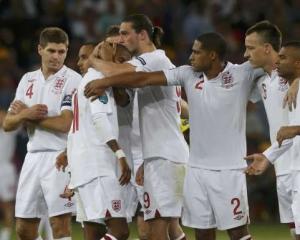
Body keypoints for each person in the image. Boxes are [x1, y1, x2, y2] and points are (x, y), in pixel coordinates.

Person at [84, 32, 265, 240]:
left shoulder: (242, 73)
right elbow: (143, 78)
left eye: (197, 52)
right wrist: (106, 82)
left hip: (229, 169)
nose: (191, 57)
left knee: (238, 232)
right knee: (202, 233)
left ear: (213, 55)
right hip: (197, 170)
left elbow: (278, 61)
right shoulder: (187, 74)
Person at [88, 14, 189, 240]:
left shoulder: (154, 59)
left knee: (155, 231)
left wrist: (93, 61)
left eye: (125, 33)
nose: (121, 39)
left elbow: (115, 73)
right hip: (158, 155)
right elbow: (124, 91)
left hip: (166, 156)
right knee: (169, 229)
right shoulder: (154, 64)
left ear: (142, 34)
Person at [3, 27, 81, 240]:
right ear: (40, 49)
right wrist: (24, 115)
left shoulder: (72, 80)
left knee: (60, 225)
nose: (57, 56)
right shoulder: (28, 79)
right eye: (51, 51)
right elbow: (8, 124)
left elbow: (65, 123)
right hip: (33, 157)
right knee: (24, 229)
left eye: (61, 52)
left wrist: (29, 117)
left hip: (59, 157)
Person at [66, 42, 132, 240]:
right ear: (116, 60)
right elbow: (99, 119)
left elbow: (73, 132)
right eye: (123, 62)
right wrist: (120, 154)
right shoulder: (98, 79)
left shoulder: (84, 81)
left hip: (83, 169)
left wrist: (72, 174)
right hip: (98, 168)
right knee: (120, 231)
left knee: (93, 233)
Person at [244, 21, 295, 237]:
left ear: (267, 48)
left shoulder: (293, 73)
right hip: (280, 162)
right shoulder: (262, 81)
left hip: (297, 163)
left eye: (250, 48)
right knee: (294, 230)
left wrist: (297, 80)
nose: (246, 54)